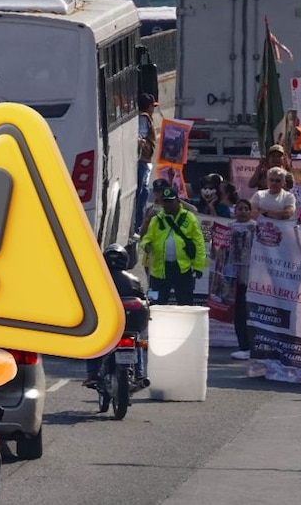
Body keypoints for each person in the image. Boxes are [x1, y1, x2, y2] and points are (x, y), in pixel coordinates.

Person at [85, 244, 147, 386]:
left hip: (107, 325)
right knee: (136, 341)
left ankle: (92, 373)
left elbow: (88, 297)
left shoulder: (98, 279)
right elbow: (144, 298)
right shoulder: (134, 280)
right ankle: (139, 373)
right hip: (129, 324)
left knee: (94, 342)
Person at [140, 187, 207, 306]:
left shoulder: (189, 218)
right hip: (159, 269)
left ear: (177, 201)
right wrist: (146, 245)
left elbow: (199, 243)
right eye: (165, 201)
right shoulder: (157, 219)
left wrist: (198, 266)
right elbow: (147, 238)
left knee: (185, 303)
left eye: (170, 201)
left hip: (182, 268)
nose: (167, 204)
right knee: (155, 303)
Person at [229, 199, 256, 360]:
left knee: (248, 311)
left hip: (249, 275)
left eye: (246, 209)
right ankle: (242, 345)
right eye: (240, 208)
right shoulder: (230, 226)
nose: (243, 211)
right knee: (238, 312)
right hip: (233, 275)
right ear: (235, 211)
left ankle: (250, 346)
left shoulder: (255, 227)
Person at [134, 94, 157, 231]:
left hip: (144, 160)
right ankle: (137, 225)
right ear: (149, 106)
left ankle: (137, 224)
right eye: (153, 106)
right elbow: (141, 136)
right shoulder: (144, 118)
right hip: (142, 161)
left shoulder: (144, 118)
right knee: (142, 193)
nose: (153, 109)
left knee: (143, 193)